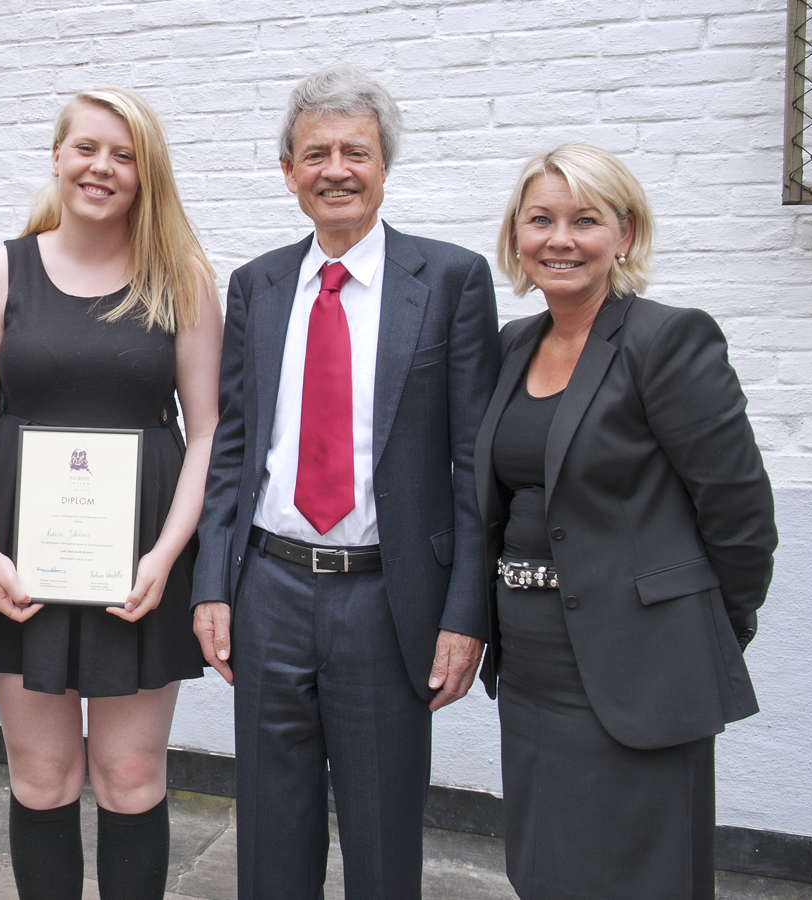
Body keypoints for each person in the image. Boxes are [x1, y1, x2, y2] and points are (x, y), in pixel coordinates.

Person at [191, 66, 500, 900]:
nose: (336, 169)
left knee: (382, 838)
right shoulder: (257, 285)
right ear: (288, 174)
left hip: (388, 598)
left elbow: (476, 464)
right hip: (270, 589)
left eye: (355, 152)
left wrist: (465, 613)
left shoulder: (451, 282)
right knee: (269, 834)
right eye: (315, 153)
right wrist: (213, 583)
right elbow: (234, 446)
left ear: (384, 167)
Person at [476, 143, 777, 899]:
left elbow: (739, 511)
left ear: (626, 235)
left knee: (642, 875)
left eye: (585, 220)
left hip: (638, 661)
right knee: (546, 867)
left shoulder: (667, 340)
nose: (560, 239)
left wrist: (705, 623)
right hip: (533, 666)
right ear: (518, 236)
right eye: (540, 219)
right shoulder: (513, 347)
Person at [0, 87, 222, 899]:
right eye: (87, 148)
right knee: (41, 775)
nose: (102, 167)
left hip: (140, 560)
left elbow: (207, 431)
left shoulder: (184, 279)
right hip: (20, 564)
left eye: (124, 153)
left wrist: (166, 558)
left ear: (147, 173)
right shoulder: (4, 270)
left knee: (132, 774)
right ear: (58, 156)